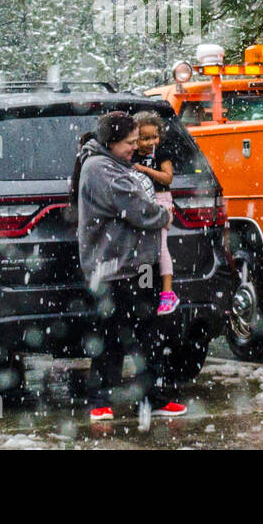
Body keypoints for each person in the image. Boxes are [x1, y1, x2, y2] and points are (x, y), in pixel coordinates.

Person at [76, 111, 187, 421]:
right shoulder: (100, 168)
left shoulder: (117, 165)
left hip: (141, 266)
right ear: (111, 142)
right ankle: (100, 400)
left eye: (137, 141)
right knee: (111, 336)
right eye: (130, 142)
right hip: (113, 268)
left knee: (150, 335)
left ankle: (151, 397)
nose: (135, 148)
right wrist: (163, 215)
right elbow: (137, 209)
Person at [131, 110, 177, 314]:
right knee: (143, 248)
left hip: (160, 201)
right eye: (145, 138)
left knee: (161, 246)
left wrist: (145, 170)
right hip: (141, 204)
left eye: (154, 137)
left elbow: (168, 178)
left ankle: (168, 292)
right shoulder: (131, 155)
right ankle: (145, 287)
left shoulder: (161, 154)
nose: (151, 142)